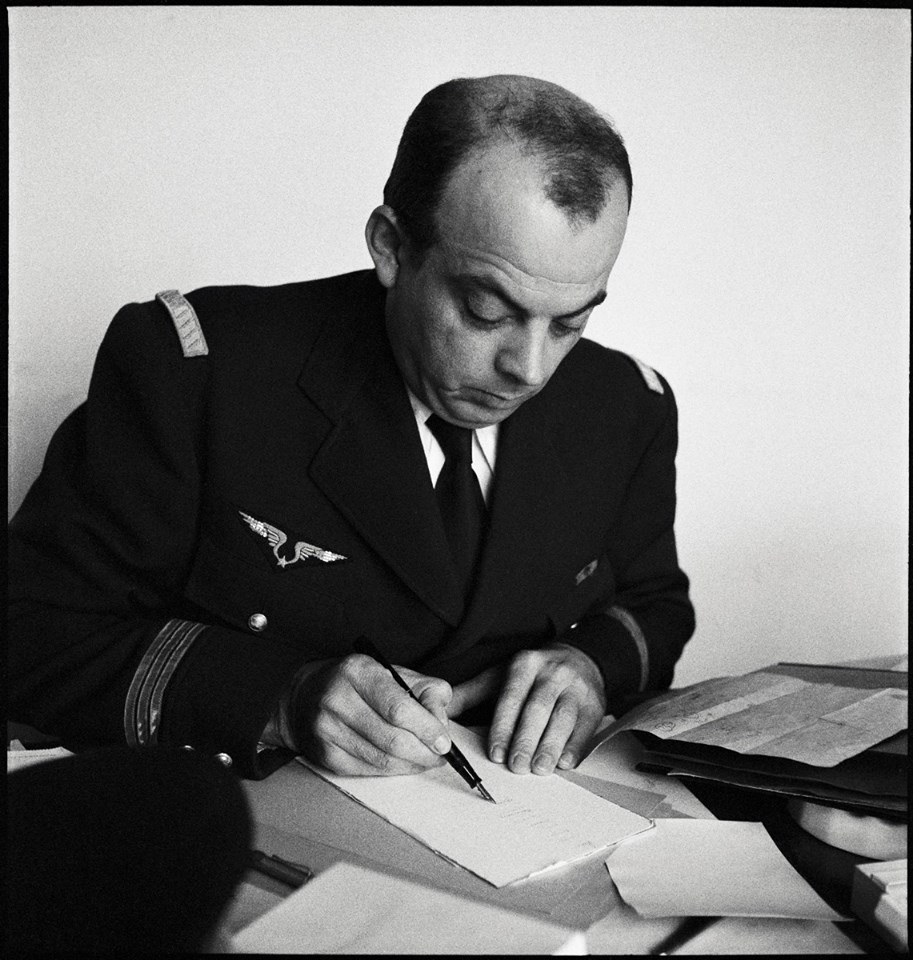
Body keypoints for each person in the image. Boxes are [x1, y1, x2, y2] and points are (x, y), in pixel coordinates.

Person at [9, 74, 695, 782]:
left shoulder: (625, 407)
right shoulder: (197, 376)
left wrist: (590, 663)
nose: (528, 368)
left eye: (571, 322)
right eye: (486, 311)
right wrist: (280, 697)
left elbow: (654, 605)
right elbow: (31, 632)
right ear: (391, 246)